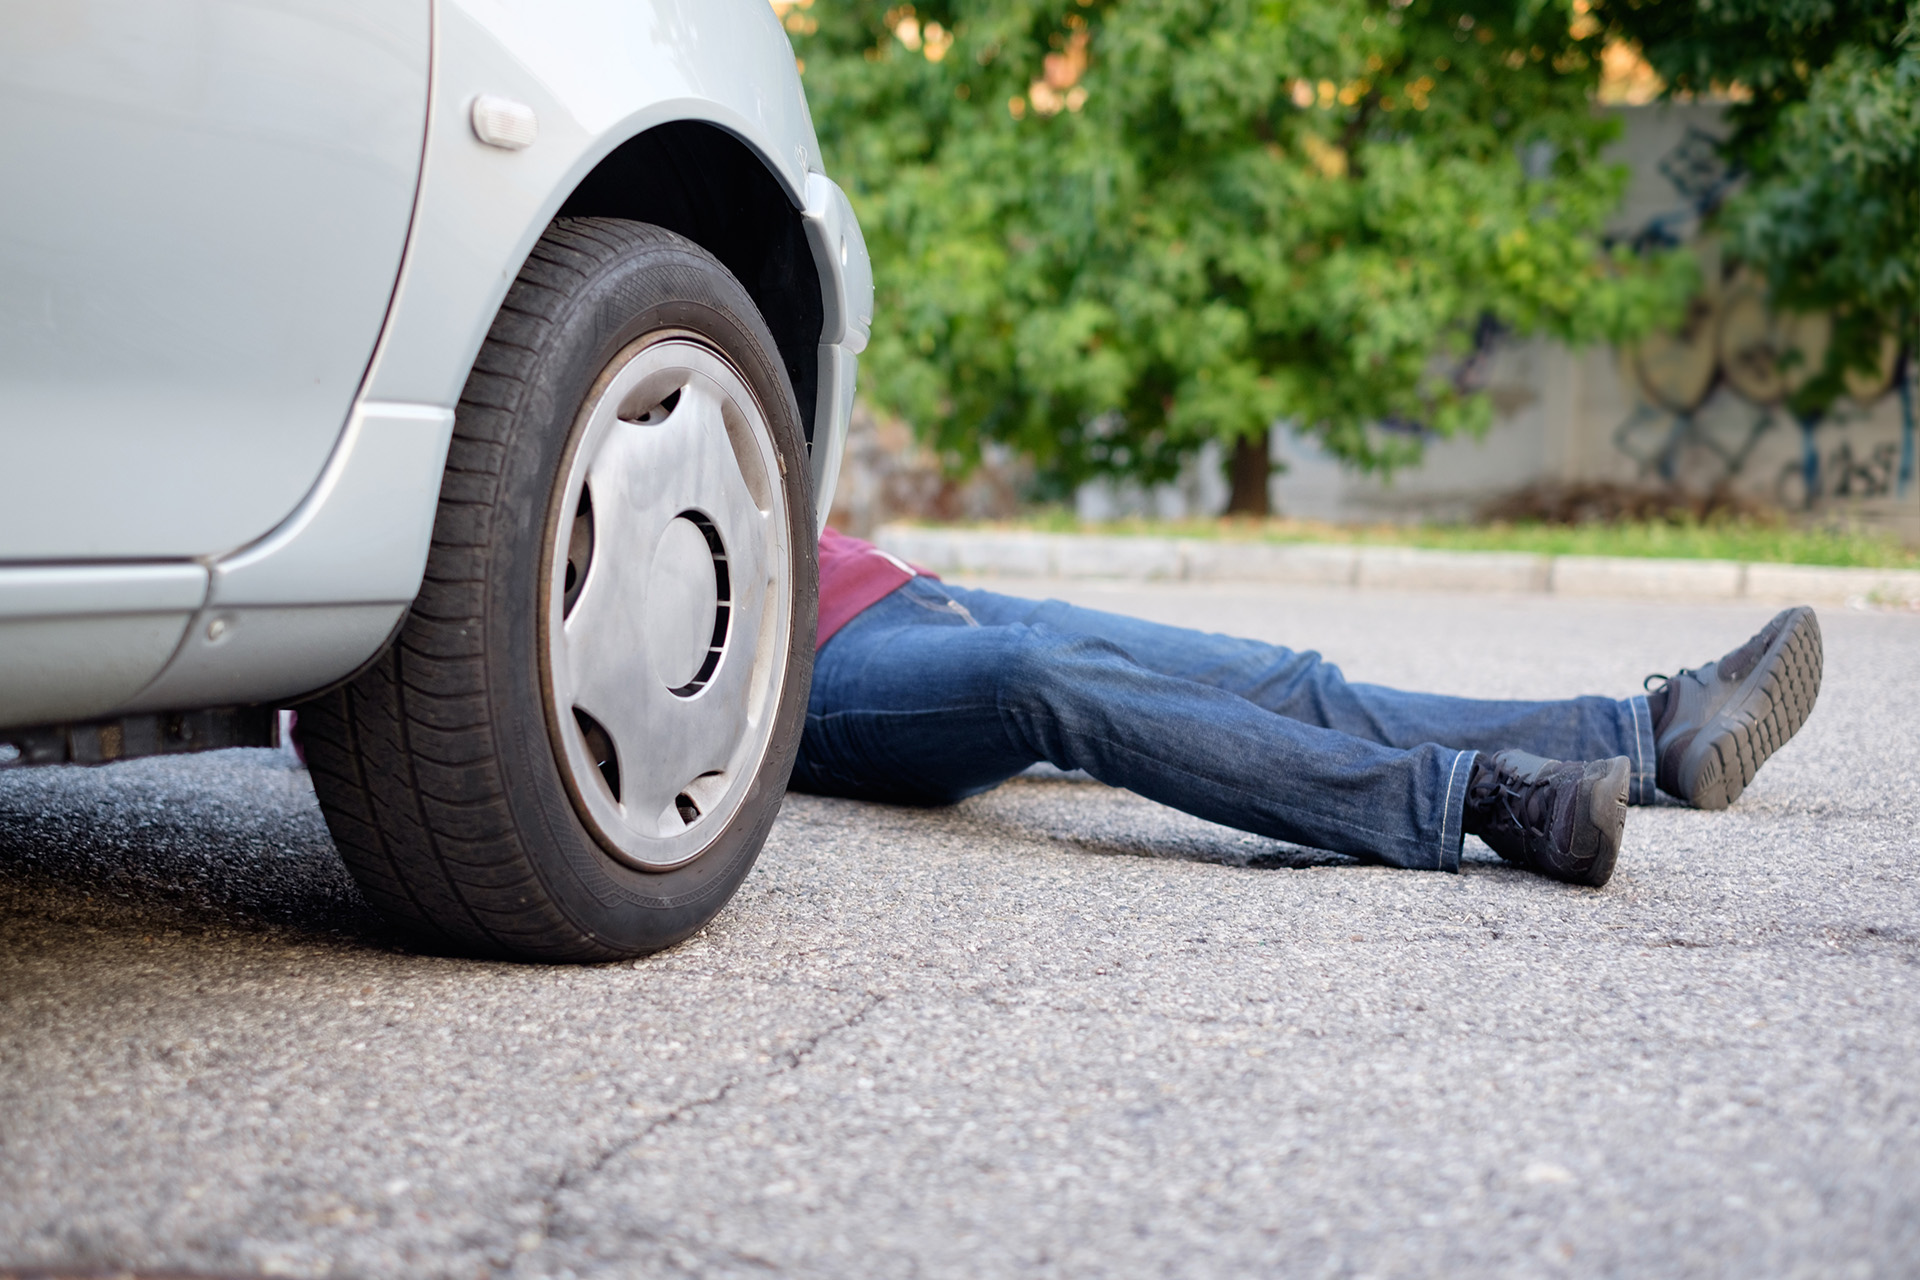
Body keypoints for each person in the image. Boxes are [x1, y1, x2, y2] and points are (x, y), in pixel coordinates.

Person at [789, 529, 1824, 888]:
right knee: (1036, 679)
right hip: (804, 669)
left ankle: (1653, 737)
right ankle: (1482, 802)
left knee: (1284, 674)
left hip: (897, 583)